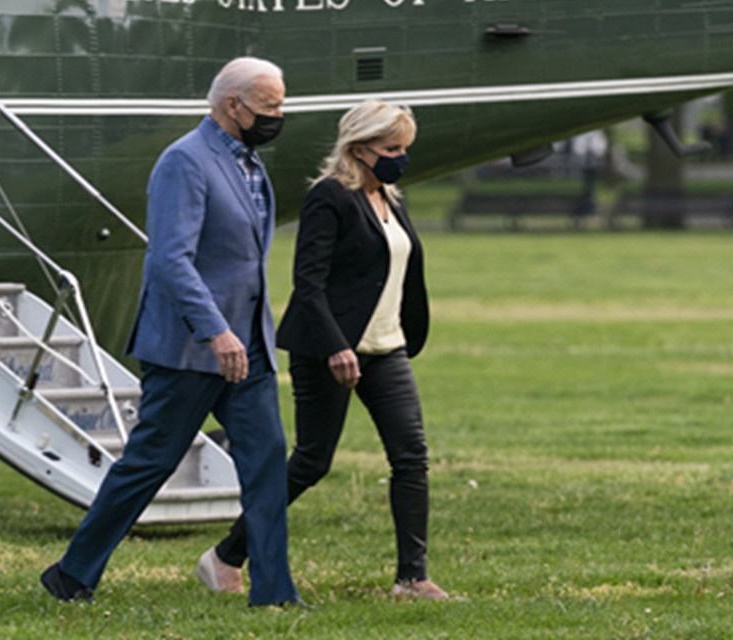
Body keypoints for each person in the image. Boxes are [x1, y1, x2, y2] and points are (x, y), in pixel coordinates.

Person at [41, 57, 299, 607]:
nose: (280, 115)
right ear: (234, 105)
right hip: (192, 347)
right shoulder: (184, 161)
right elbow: (170, 260)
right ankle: (71, 574)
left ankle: (274, 594)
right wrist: (214, 331)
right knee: (149, 464)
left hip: (247, 345)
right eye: (271, 106)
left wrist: (244, 333)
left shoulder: (250, 163)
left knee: (267, 458)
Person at [196, 99, 448, 600]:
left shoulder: (391, 198)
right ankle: (225, 556)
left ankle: (412, 578)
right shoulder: (329, 197)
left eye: (405, 148)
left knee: (411, 456)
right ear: (359, 149)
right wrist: (336, 346)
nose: (401, 156)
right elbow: (307, 284)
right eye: (391, 147)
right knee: (312, 461)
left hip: (386, 349)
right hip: (327, 350)